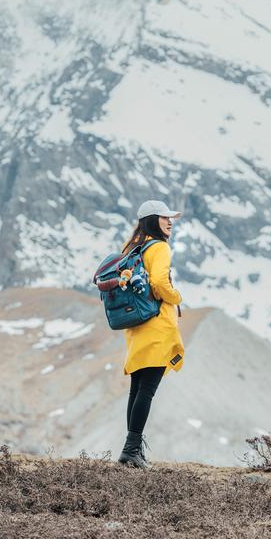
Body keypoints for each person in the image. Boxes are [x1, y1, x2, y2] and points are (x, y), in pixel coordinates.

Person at [118, 199, 184, 468]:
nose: (170, 222)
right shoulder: (159, 248)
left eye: (171, 218)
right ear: (151, 220)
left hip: (137, 326)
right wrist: (176, 296)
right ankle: (132, 449)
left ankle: (132, 449)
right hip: (157, 327)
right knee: (147, 391)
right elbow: (158, 282)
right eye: (164, 217)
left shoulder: (133, 247)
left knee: (137, 389)